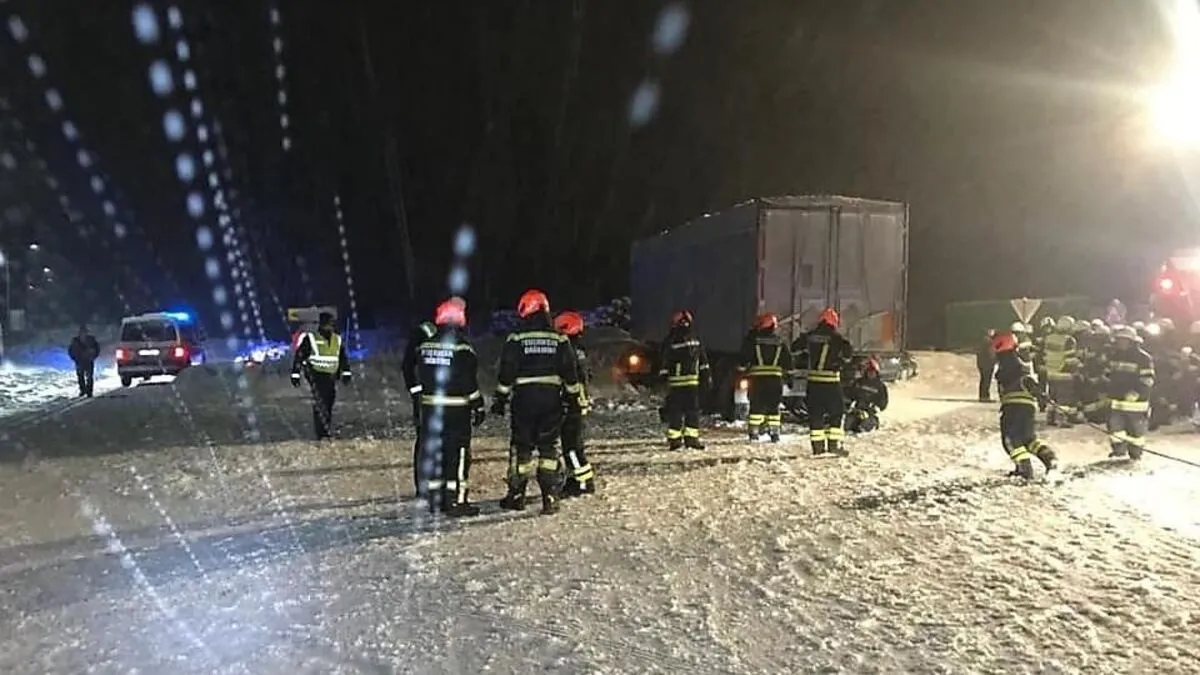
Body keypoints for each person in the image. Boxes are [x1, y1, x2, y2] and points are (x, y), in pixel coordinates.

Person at [492, 289, 583, 515]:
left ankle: (516, 495)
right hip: (551, 399)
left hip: (524, 398)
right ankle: (550, 497)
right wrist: (573, 399)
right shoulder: (560, 338)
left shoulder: (516, 338)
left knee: (521, 447)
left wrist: (500, 399)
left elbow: (507, 370)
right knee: (548, 448)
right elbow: (570, 373)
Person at [413, 298, 486, 516]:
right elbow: (468, 381)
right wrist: (478, 404)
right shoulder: (462, 347)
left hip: (430, 410)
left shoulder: (425, 346)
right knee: (459, 454)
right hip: (456, 410)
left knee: (436, 452)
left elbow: (418, 374)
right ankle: (456, 500)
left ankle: (436, 500)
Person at [992, 331, 1057, 478]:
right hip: (1026, 406)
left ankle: (1024, 469)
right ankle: (1050, 459)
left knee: (1010, 439)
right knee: (1028, 439)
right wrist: (1039, 394)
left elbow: (1023, 378)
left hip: (1013, 407)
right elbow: (1027, 378)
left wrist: (1036, 390)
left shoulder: (1008, 362)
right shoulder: (1017, 360)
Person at [794, 308, 854, 456]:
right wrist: (839, 362)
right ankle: (834, 445)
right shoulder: (837, 338)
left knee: (816, 415)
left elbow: (794, 348)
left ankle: (818, 447)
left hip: (813, 384)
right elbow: (848, 355)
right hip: (831, 383)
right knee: (837, 413)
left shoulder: (810, 336)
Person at [290, 311, 352, 440]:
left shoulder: (337, 339)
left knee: (329, 402)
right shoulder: (311, 338)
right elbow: (300, 355)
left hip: (331, 376)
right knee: (321, 403)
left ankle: (325, 429)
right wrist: (295, 373)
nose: (330, 326)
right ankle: (322, 433)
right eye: (328, 324)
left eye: (331, 324)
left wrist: (346, 372)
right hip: (316, 374)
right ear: (322, 324)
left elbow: (342, 357)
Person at [554, 310, 596, 496]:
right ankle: (574, 479)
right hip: (579, 403)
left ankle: (583, 482)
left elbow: (567, 377)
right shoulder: (579, 349)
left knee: (571, 447)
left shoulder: (568, 349)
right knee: (572, 443)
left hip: (572, 405)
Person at [658, 309, 710, 450]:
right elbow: (703, 359)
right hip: (692, 382)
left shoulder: (671, 339)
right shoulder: (695, 337)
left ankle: (675, 441)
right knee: (692, 411)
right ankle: (691, 439)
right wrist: (706, 376)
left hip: (676, 382)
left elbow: (664, 360)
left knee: (675, 411)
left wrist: (662, 378)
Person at [739, 312, 793, 442]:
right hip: (775, 381)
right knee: (774, 407)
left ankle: (754, 433)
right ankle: (775, 434)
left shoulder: (753, 341)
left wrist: (742, 370)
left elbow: (743, 360)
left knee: (756, 406)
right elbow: (788, 362)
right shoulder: (780, 342)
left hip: (757, 380)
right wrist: (789, 379)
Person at [1105, 325, 1154, 460]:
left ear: (1132, 342)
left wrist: (1136, 393)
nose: (1121, 343)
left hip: (1136, 403)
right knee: (1116, 428)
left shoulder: (1143, 358)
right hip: (1117, 400)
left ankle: (1135, 453)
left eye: (1125, 340)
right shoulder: (1114, 356)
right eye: (1119, 340)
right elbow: (1109, 375)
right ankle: (1119, 451)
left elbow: (1147, 379)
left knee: (1136, 431)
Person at [402, 316, 439, 494]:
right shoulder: (422, 333)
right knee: (425, 439)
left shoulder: (440, 333)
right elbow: (408, 364)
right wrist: (416, 390)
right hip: (424, 396)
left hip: (438, 395)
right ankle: (423, 486)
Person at [845, 356, 889, 433]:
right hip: (857, 410)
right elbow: (850, 394)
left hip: (870, 413)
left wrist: (875, 407)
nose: (871, 374)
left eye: (873, 372)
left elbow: (883, 402)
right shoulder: (859, 382)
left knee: (866, 425)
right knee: (847, 424)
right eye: (869, 371)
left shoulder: (880, 386)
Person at [68, 325, 100, 398]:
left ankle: (89, 392)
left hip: (89, 360)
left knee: (89, 377)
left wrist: (93, 356)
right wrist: (74, 358)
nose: (83, 333)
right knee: (80, 377)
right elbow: (70, 350)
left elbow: (97, 349)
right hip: (79, 361)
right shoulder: (75, 340)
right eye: (82, 332)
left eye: (85, 332)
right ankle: (82, 390)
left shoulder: (91, 340)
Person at [976, 329, 996, 402]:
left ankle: (983, 396)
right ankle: (985, 396)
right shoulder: (988, 341)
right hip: (987, 364)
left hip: (983, 363)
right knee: (986, 380)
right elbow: (991, 353)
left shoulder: (984, 341)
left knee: (984, 380)